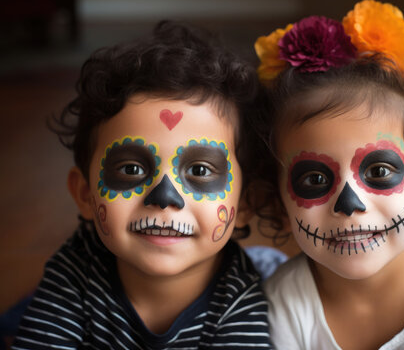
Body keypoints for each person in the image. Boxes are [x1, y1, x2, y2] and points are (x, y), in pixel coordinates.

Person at [253, 0, 404, 350]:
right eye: (314, 180)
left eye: (379, 171)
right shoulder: (281, 299)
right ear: (280, 204)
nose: (349, 202)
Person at [13, 21, 272, 349]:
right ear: (85, 195)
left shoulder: (239, 295)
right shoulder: (75, 271)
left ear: (246, 202)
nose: (165, 198)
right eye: (132, 168)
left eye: (201, 170)